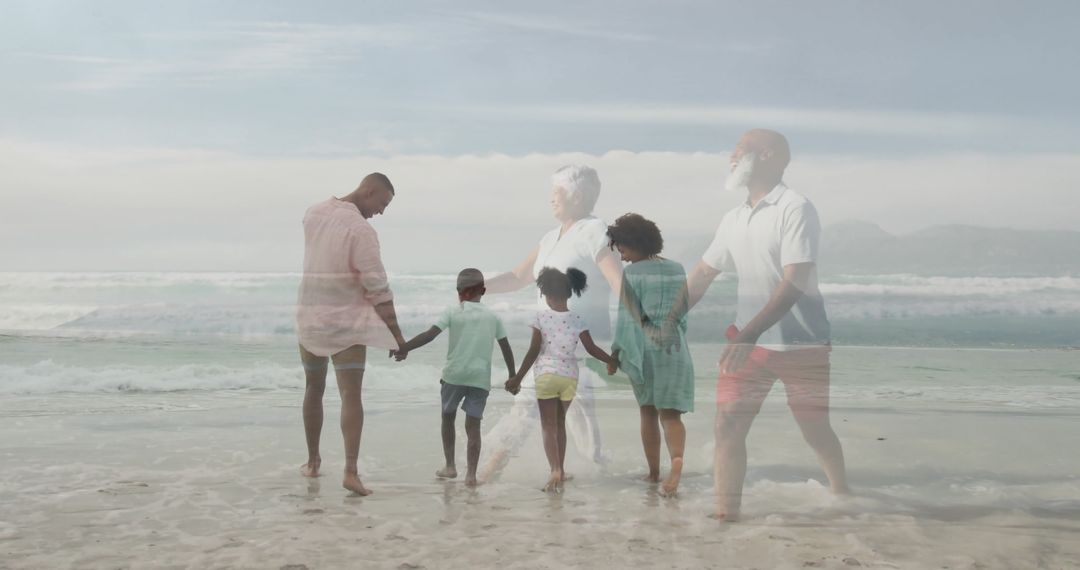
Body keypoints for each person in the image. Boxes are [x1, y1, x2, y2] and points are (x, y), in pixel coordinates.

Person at [684, 129, 850, 520]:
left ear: (767, 155)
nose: (731, 156)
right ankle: (726, 516)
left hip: (801, 344)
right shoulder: (734, 217)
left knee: (815, 429)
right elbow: (704, 274)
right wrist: (665, 320)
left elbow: (794, 280)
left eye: (739, 150)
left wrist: (748, 334)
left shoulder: (795, 207)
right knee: (727, 425)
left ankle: (844, 495)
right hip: (748, 342)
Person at [480, 165, 623, 480]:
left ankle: (488, 478)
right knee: (562, 418)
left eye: (556, 192)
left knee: (545, 413)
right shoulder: (549, 238)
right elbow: (518, 277)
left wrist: (636, 330)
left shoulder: (597, 232)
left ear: (577, 195)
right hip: (552, 343)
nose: (550, 199)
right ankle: (595, 480)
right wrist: (478, 286)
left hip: (583, 344)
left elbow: (619, 283)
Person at [295, 172, 407, 496]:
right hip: (346, 324)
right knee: (350, 396)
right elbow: (378, 290)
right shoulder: (361, 231)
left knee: (313, 389)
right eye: (382, 203)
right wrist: (397, 336)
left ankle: (313, 462)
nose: (382, 212)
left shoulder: (313, 213)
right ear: (369, 190)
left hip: (310, 318)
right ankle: (350, 472)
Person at [390, 269, 516, 487]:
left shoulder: (452, 312)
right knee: (473, 427)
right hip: (480, 379)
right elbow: (506, 348)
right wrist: (513, 376)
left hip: (454, 376)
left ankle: (450, 466)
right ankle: (471, 476)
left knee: (447, 417)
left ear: (459, 292)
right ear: (483, 291)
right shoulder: (494, 317)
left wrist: (404, 347)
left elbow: (429, 335)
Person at [505, 268, 619, 493]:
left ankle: (555, 470)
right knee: (560, 425)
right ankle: (562, 471)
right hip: (569, 377)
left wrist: (517, 378)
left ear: (548, 295)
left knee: (548, 426)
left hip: (547, 376)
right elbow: (592, 349)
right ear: (568, 294)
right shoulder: (578, 319)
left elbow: (533, 351)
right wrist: (612, 360)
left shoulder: (540, 317)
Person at [607, 213, 694, 497]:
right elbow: (682, 312)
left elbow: (629, 317)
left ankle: (654, 472)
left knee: (647, 411)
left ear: (634, 243)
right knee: (671, 415)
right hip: (675, 347)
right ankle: (677, 461)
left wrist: (617, 350)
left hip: (644, 349)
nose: (621, 258)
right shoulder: (678, 268)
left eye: (623, 250)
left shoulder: (631, 274)